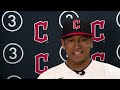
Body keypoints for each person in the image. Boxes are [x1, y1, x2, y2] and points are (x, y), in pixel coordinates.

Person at [37, 18, 120, 79]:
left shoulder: (113, 74)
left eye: (83, 40)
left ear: (91, 42)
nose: (77, 46)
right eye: (71, 40)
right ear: (63, 44)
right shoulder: (47, 77)